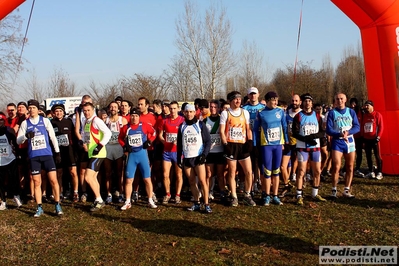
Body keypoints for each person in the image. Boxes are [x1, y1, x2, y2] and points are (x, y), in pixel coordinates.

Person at [16, 99, 63, 217]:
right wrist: (25, 136)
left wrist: (57, 152)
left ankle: (57, 204)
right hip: (34, 156)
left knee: (53, 180)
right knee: (37, 182)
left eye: (34, 108)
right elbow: (18, 140)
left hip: (47, 155)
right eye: (30, 108)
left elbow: (52, 137)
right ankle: (39, 207)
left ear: (38, 109)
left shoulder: (45, 121)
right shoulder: (25, 123)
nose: (31, 110)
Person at [219, 91, 256, 207]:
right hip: (231, 145)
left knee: (249, 172)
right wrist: (225, 144)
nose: (238, 101)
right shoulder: (225, 114)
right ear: (230, 101)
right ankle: (234, 196)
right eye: (235, 99)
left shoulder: (245, 112)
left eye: (239, 99)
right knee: (232, 172)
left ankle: (247, 194)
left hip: (242, 145)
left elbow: (248, 128)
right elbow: (221, 130)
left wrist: (250, 141)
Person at [253, 91, 288, 206]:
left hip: (278, 144)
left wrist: (286, 140)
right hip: (266, 145)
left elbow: (284, 126)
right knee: (267, 171)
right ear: (267, 101)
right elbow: (255, 130)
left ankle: (275, 195)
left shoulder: (280, 111)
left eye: (276, 100)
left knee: (276, 171)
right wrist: (255, 144)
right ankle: (266, 195)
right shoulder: (261, 112)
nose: (275, 102)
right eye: (273, 100)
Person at [119, 108, 157, 210]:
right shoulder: (126, 128)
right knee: (129, 180)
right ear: (129, 116)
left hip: (142, 155)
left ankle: (150, 200)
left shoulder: (144, 125)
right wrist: (124, 146)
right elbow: (120, 138)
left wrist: (149, 142)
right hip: (132, 156)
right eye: (132, 116)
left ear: (139, 117)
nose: (134, 118)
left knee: (147, 179)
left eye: (136, 116)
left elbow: (154, 132)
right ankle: (127, 201)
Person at [292, 93, 327, 205]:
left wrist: (313, 137)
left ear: (312, 103)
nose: (307, 103)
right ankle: (299, 195)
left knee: (317, 171)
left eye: (309, 101)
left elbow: (322, 132)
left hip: (315, 147)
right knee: (301, 171)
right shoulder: (298, 116)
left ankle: (315, 193)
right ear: (302, 103)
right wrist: (306, 139)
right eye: (306, 101)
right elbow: (295, 133)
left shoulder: (317, 116)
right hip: (302, 147)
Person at [177, 104, 212, 213]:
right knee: (192, 182)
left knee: (202, 181)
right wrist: (179, 158)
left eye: (191, 112)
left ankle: (206, 204)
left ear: (194, 112)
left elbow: (208, 141)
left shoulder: (200, 124)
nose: (189, 114)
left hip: (198, 157)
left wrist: (204, 155)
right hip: (187, 157)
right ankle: (196, 202)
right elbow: (179, 144)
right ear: (184, 113)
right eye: (187, 112)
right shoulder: (181, 126)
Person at [326, 93, 360, 198]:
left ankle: (346, 190)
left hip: (349, 142)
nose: (339, 101)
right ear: (335, 100)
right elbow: (329, 129)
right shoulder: (332, 113)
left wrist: (348, 132)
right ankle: (334, 190)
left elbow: (357, 127)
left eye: (341, 99)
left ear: (345, 100)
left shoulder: (351, 112)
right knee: (336, 166)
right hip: (338, 141)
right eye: (337, 99)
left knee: (350, 166)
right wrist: (340, 134)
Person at [79, 102, 112, 211]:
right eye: (84, 111)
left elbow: (108, 133)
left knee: (88, 177)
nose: (86, 112)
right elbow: (86, 136)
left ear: (93, 110)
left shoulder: (96, 120)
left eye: (88, 110)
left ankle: (99, 200)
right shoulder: (86, 121)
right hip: (91, 153)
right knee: (93, 177)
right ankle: (98, 199)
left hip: (99, 153)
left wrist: (100, 145)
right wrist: (83, 142)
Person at [50, 104, 79, 202]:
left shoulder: (69, 122)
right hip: (58, 152)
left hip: (69, 151)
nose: (59, 113)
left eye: (60, 111)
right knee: (59, 173)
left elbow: (74, 137)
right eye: (56, 111)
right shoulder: (51, 123)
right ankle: (60, 193)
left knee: (73, 172)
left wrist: (75, 151)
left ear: (64, 112)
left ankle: (75, 192)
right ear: (54, 113)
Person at [158, 101, 185, 204]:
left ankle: (177, 195)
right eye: (171, 108)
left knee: (179, 174)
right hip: (167, 152)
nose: (172, 111)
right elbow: (160, 135)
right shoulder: (164, 121)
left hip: (178, 152)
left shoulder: (182, 121)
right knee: (165, 175)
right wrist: (164, 141)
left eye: (174, 108)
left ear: (178, 109)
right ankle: (167, 194)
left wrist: (179, 141)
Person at [103, 101, 128, 204]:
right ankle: (109, 194)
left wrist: (126, 149)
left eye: (115, 107)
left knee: (119, 173)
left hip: (118, 148)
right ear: (109, 109)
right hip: (108, 147)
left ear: (118, 109)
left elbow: (127, 135)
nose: (113, 108)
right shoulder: (105, 120)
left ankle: (121, 193)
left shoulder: (123, 120)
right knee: (107, 173)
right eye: (111, 107)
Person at [242, 87, 265, 196]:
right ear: (248, 95)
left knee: (258, 164)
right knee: (249, 165)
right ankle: (249, 186)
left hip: (260, 140)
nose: (253, 96)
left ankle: (257, 183)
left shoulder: (263, 108)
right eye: (251, 94)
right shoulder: (244, 108)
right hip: (248, 140)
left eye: (255, 94)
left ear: (258, 94)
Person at [203, 100, 227, 202]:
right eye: (211, 107)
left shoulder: (222, 120)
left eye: (215, 107)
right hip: (210, 152)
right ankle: (208, 192)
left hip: (220, 151)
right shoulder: (205, 121)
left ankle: (222, 193)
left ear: (219, 108)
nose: (213, 109)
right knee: (209, 174)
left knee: (220, 174)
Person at [280, 94, 301, 197]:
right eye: (293, 101)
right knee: (283, 166)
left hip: (300, 143)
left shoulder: (303, 114)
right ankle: (286, 185)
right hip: (288, 143)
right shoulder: (285, 114)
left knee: (301, 166)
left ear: (300, 102)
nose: (294, 103)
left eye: (296, 101)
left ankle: (299, 188)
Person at [0, 114, 22, 209]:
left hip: (10, 159)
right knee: (0, 182)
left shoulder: (9, 130)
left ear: (4, 121)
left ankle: (16, 196)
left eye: (1, 121)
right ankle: (3, 201)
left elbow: (16, 144)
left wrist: (18, 154)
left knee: (14, 179)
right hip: (0, 161)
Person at [361, 100, 384, 179]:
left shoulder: (377, 115)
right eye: (365, 106)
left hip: (375, 139)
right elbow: (363, 127)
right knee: (368, 156)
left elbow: (381, 127)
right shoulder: (365, 115)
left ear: (372, 106)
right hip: (366, 139)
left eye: (367, 105)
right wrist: (363, 137)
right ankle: (371, 171)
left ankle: (380, 172)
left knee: (377, 155)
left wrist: (378, 136)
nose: (366, 107)